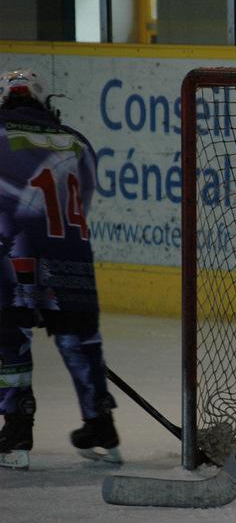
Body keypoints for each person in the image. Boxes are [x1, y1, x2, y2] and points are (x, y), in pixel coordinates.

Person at [0, 69, 120, 469]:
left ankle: (17, 429)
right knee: (81, 339)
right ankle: (101, 424)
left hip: (12, 253)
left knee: (10, 337)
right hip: (71, 255)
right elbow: (82, 201)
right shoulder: (77, 141)